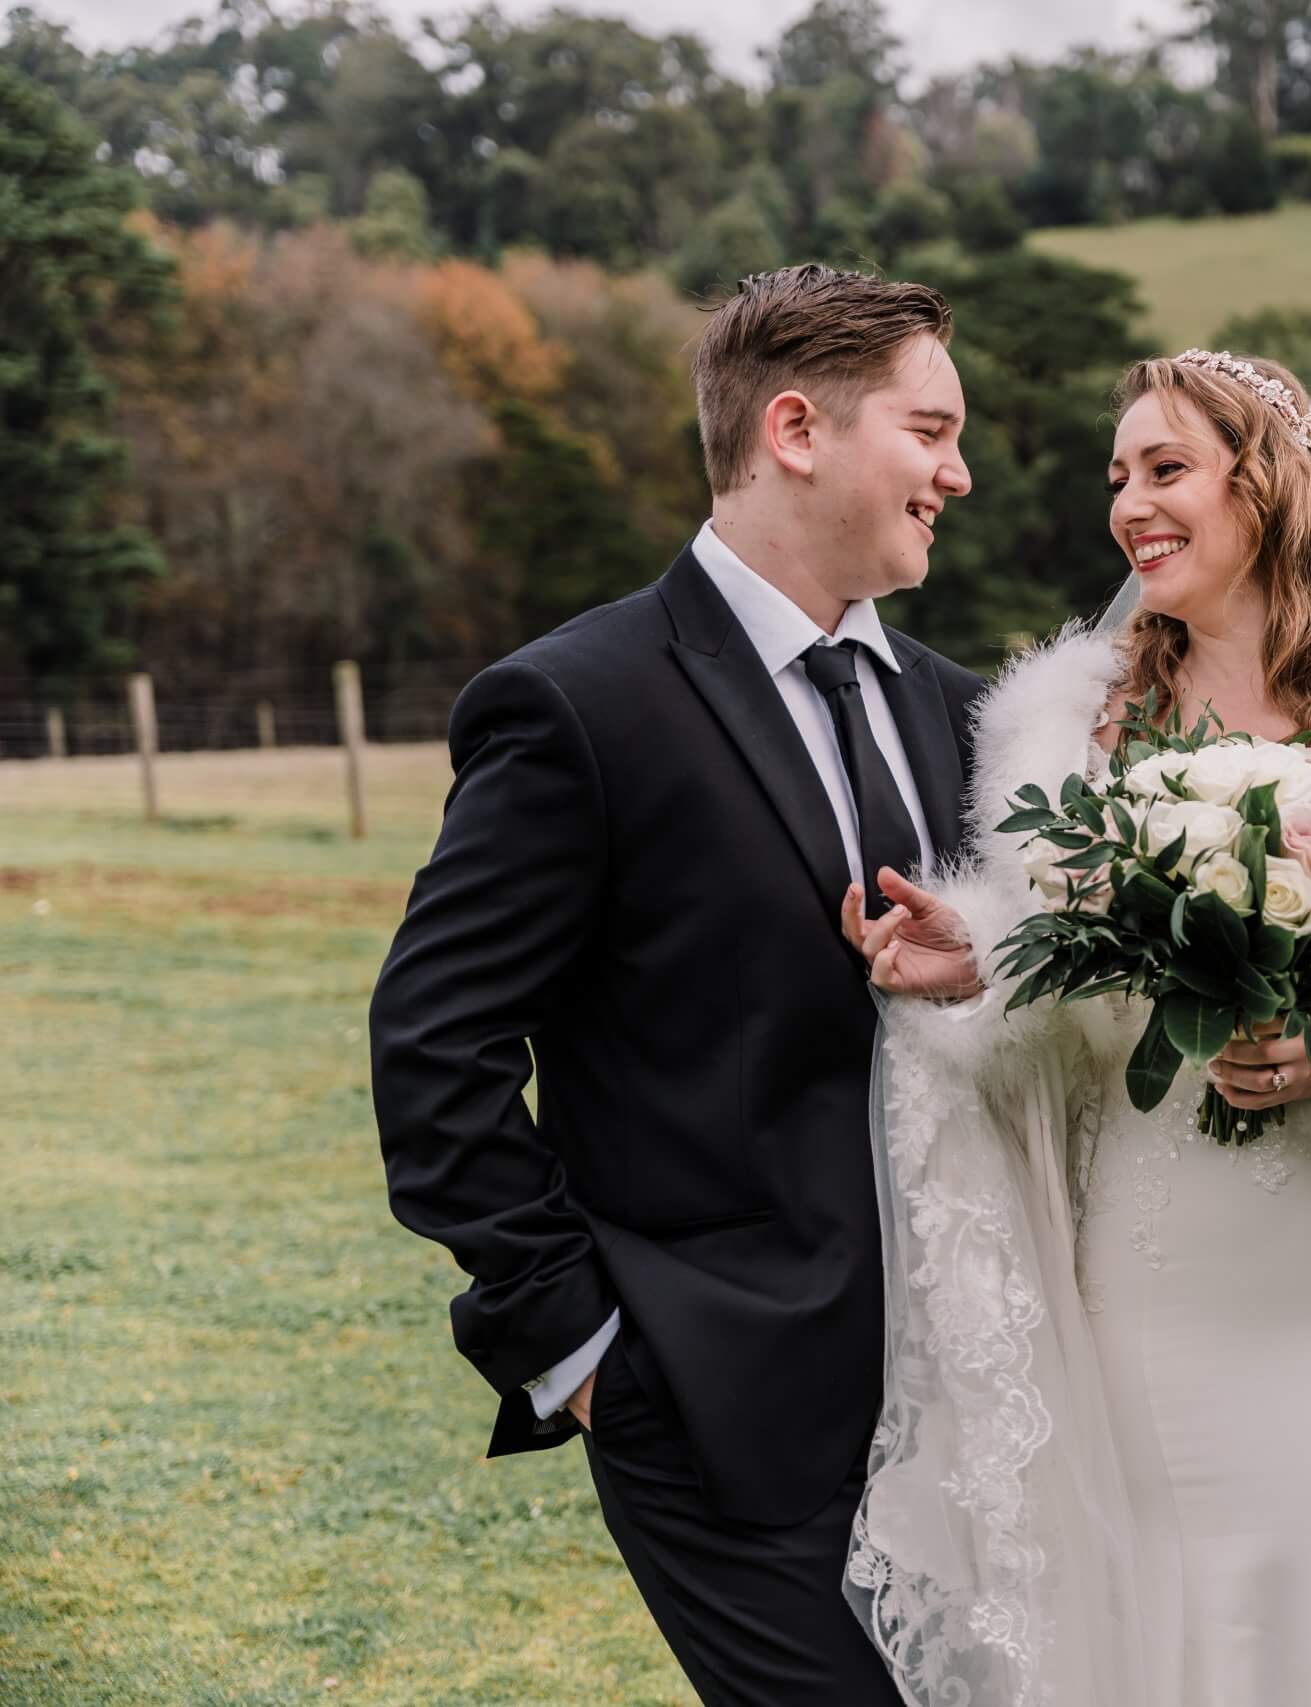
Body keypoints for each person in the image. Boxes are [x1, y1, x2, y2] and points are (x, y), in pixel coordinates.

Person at [836, 350, 1311, 1706]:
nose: (1130, 504)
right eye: (1118, 476)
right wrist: (972, 960)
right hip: (1157, 1267)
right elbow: (1059, 988)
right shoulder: (1074, 725)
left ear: (1266, 481)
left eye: (1167, 467)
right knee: (1174, 1641)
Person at [369, 265, 982, 1705]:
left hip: (978, 1414)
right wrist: (582, 1347)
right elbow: (433, 1041)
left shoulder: (959, 707)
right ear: (796, 428)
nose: (959, 472)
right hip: (721, 1414)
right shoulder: (579, 703)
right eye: (932, 428)